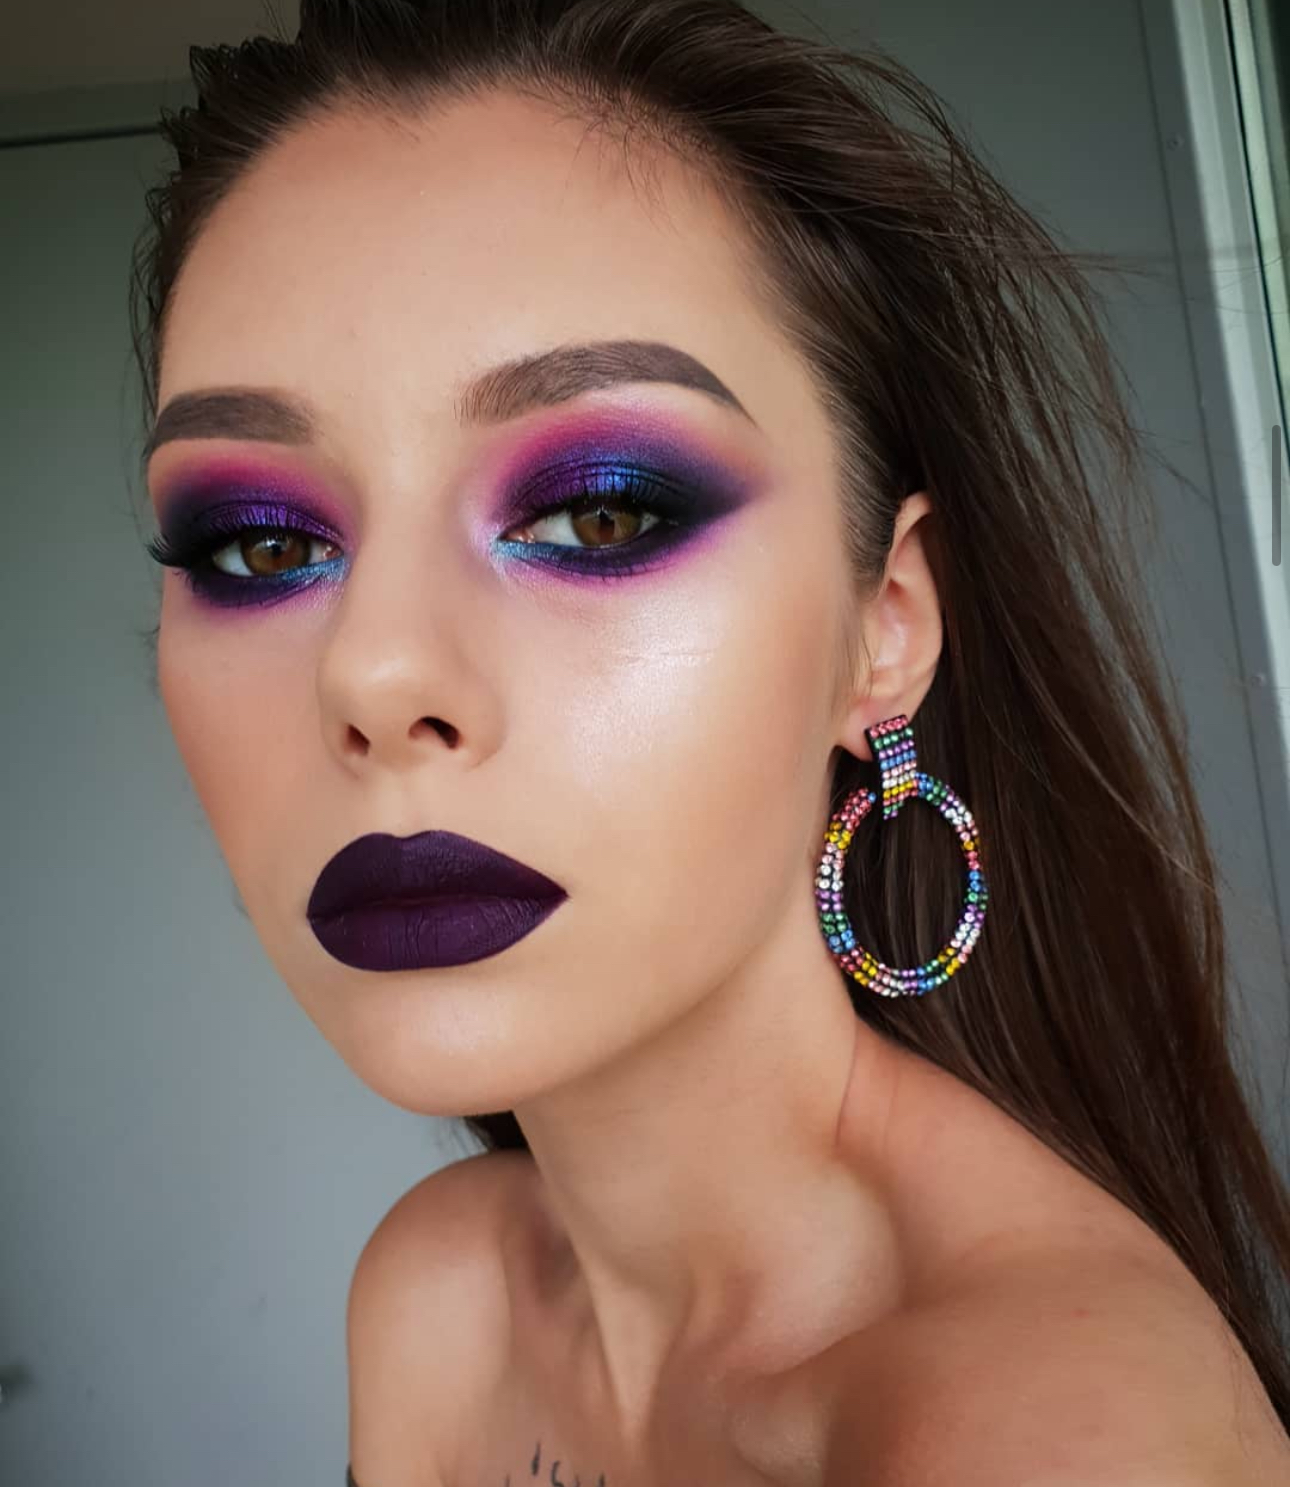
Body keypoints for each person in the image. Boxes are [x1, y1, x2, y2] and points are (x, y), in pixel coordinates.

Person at [129, 1, 1290, 1482]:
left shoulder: (1046, 1433)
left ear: (884, 625)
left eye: (598, 512)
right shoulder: (439, 1295)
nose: (371, 674)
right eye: (260, 543)